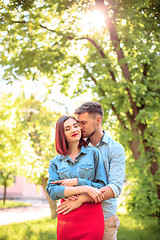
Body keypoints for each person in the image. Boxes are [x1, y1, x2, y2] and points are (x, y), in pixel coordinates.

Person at [57, 102, 126, 240]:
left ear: (98, 120)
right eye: (78, 123)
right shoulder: (76, 145)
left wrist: (82, 198)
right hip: (76, 217)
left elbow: (115, 188)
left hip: (105, 217)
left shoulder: (115, 149)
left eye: (83, 123)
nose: (79, 127)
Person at [46, 115, 107, 240]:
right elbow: (52, 191)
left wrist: (77, 182)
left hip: (92, 214)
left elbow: (101, 186)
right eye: (67, 128)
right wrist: (84, 188)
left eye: (75, 126)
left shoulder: (94, 153)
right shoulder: (55, 162)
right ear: (61, 134)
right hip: (67, 214)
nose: (74, 130)